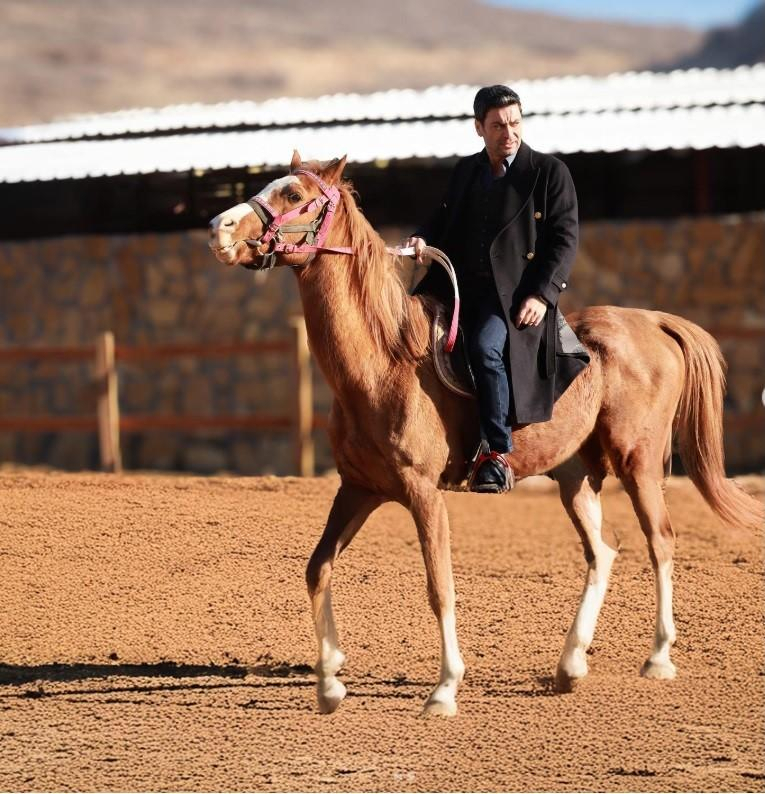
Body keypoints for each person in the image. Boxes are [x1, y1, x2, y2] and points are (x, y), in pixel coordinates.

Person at [408, 84, 589, 494]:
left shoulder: (549, 172)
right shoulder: (465, 172)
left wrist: (543, 295)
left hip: (509, 298)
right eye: (497, 125)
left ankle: (495, 454)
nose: (508, 132)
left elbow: (564, 239)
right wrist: (421, 239)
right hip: (455, 288)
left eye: (514, 123)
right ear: (479, 128)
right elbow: (441, 220)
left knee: (486, 348)